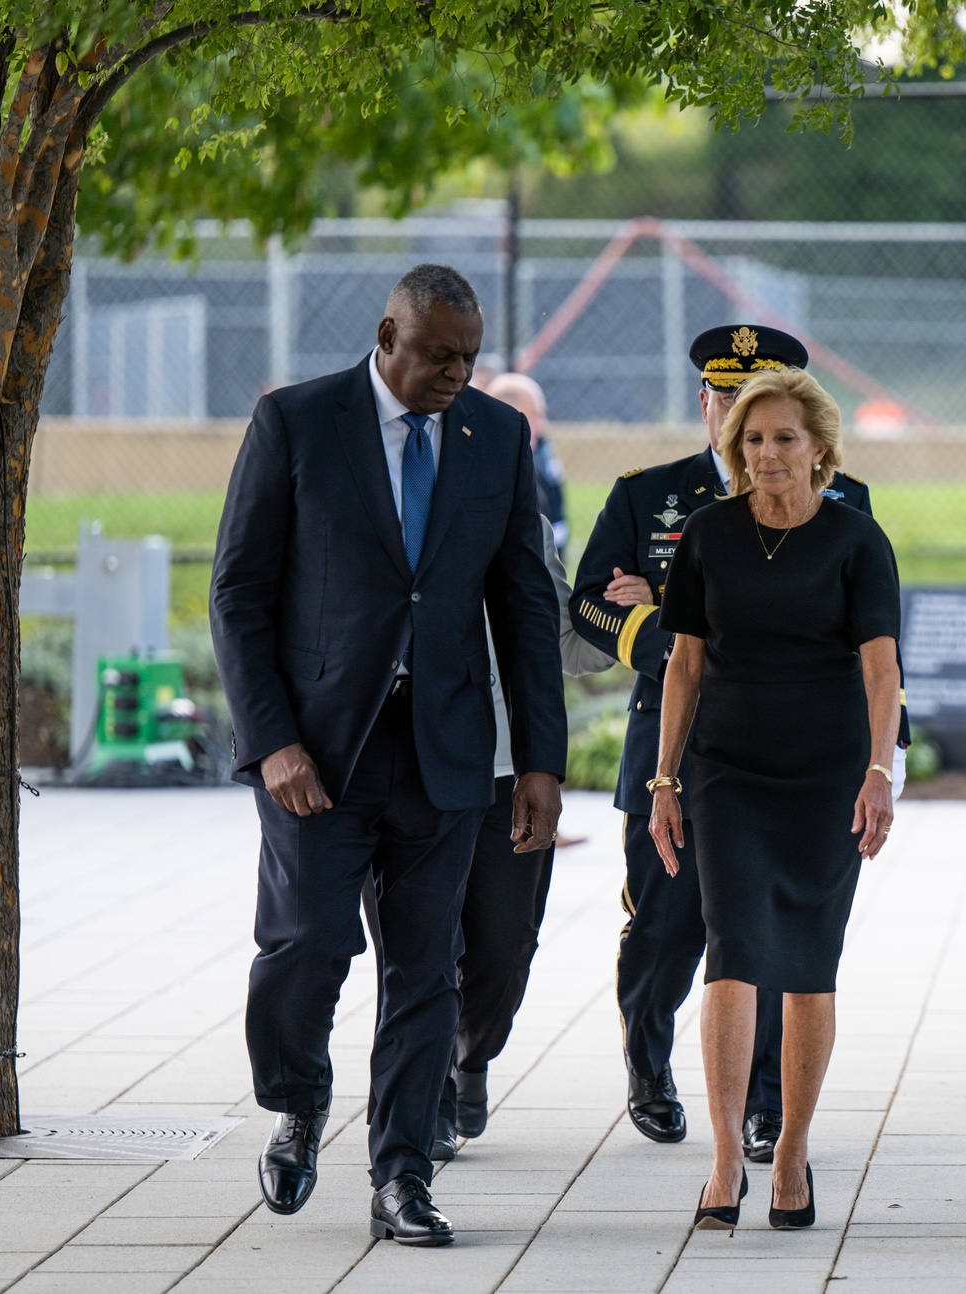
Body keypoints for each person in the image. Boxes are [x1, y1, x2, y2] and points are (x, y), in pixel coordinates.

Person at [209, 263, 568, 1247]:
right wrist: (272, 740)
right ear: (386, 336)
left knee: (428, 970)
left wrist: (540, 759)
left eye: (470, 357)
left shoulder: (497, 435)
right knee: (305, 949)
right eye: (440, 355)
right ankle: (297, 1099)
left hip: (445, 751)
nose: (457, 373)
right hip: (318, 755)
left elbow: (526, 604)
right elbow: (237, 593)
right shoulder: (296, 421)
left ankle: (402, 1173)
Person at [569, 325, 909, 1159]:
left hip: (794, 743)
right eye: (727, 402)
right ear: (707, 405)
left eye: (763, 409)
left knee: (766, 930)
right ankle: (649, 1062)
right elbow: (587, 604)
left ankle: (765, 1105)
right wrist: (671, 629)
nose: (743, 426)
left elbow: (859, 632)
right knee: (666, 920)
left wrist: (875, 759)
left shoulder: (847, 503)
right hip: (678, 741)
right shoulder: (652, 495)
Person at [648, 366, 900, 1230]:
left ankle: (789, 1153)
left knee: (806, 963)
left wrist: (878, 773)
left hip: (826, 779)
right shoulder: (710, 536)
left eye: (784, 439)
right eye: (752, 440)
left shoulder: (857, 540)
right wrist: (663, 780)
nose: (766, 455)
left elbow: (880, 668)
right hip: (728, 773)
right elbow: (684, 662)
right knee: (733, 948)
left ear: (819, 448)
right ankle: (726, 1162)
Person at [362, 511, 613, 1161]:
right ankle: (428, 1091)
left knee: (504, 948)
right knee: (417, 946)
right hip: (402, 769)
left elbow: (568, 644)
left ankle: (471, 1053)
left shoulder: (520, 522)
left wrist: (626, 609)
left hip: (507, 771)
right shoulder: (371, 502)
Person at [488, 373, 569, 556]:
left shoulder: (538, 462)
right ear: (509, 420)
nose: (542, 426)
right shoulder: (499, 478)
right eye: (536, 416)